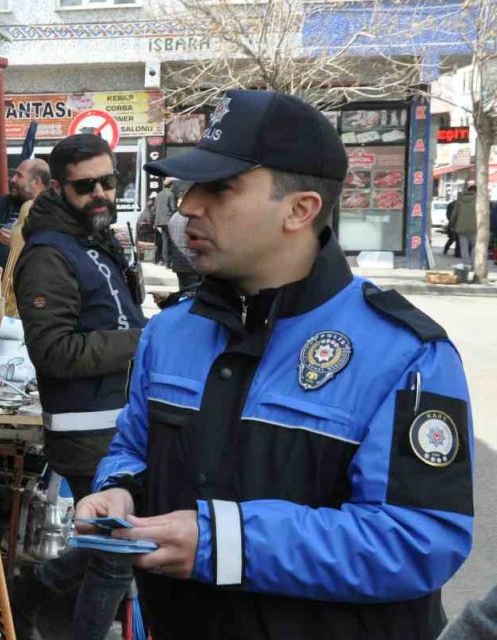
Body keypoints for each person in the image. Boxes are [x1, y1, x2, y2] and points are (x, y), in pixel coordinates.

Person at [77, 89, 474, 640]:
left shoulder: (406, 353)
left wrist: (226, 542)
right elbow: (133, 450)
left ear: (300, 209)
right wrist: (118, 488)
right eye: (192, 185)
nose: (190, 204)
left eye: (220, 187)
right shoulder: (171, 331)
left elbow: (417, 540)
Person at [8, 134, 143, 640]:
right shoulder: (48, 255)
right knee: (116, 552)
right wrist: (142, 341)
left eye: (109, 181)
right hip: (87, 433)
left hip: (121, 424)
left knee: (110, 544)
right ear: (59, 188)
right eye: (86, 186)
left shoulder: (92, 239)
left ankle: (33, 588)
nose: (101, 193)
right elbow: (55, 351)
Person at [0, 158, 51, 274]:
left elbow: (53, 253)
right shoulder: (3, 204)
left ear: (36, 181)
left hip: (32, 283)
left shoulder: (51, 211)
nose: (13, 179)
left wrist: (18, 243)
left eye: (19, 176)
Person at [152, 178, 178, 265]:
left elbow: (155, 208)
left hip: (160, 221)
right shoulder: (171, 194)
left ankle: (166, 261)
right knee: (172, 241)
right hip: (168, 220)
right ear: (171, 185)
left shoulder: (158, 195)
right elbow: (173, 208)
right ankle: (170, 261)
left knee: (165, 241)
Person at [453, 184, 479, 264]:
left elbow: (454, 214)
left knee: (464, 247)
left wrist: (452, 223)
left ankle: (466, 264)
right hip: (474, 227)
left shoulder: (460, 200)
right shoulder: (478, 200)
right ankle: (473, 263)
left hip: (461, 227)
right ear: (476, 191)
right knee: (475, 245)